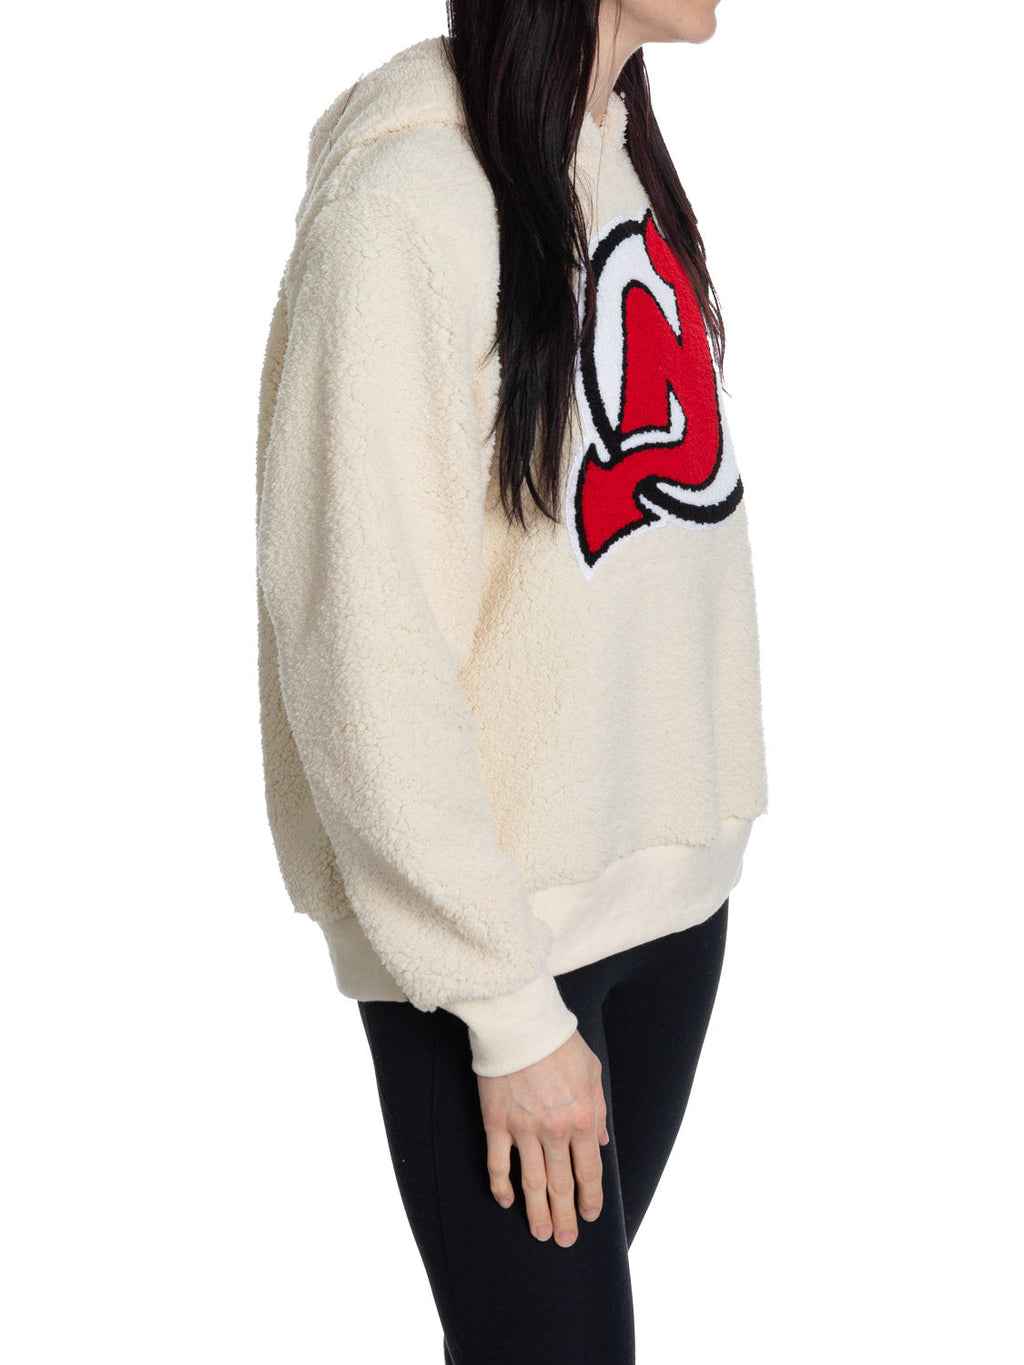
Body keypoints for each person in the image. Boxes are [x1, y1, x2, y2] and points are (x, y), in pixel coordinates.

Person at [255, 1, 768, 1359]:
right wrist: (507, 1007)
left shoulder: (618, 164)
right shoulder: (403, 207)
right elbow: (360, 644)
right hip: (496, 948)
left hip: (665, 914)